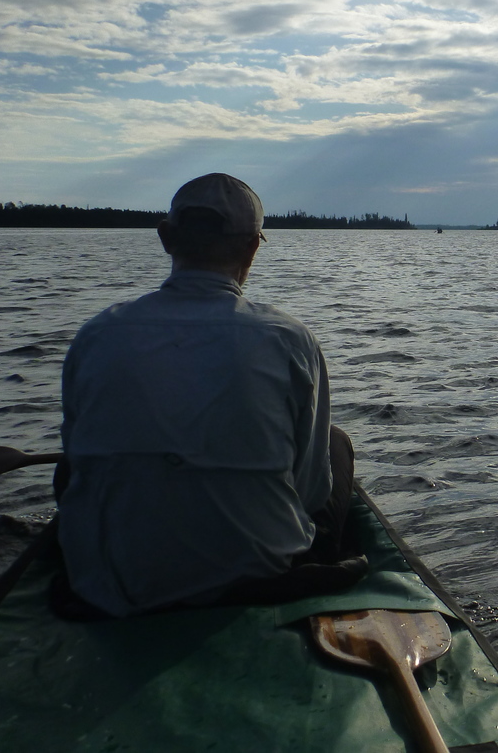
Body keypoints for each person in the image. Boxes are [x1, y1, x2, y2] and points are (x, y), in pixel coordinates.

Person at [55, 173, 363, 618]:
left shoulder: (97, 335)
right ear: (254, 247)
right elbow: (312, 491)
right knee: (334, 442)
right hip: (260, 577)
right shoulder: (288, 338)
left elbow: (78, 453)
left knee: (69, 468)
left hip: (112, 582)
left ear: (166, 238)